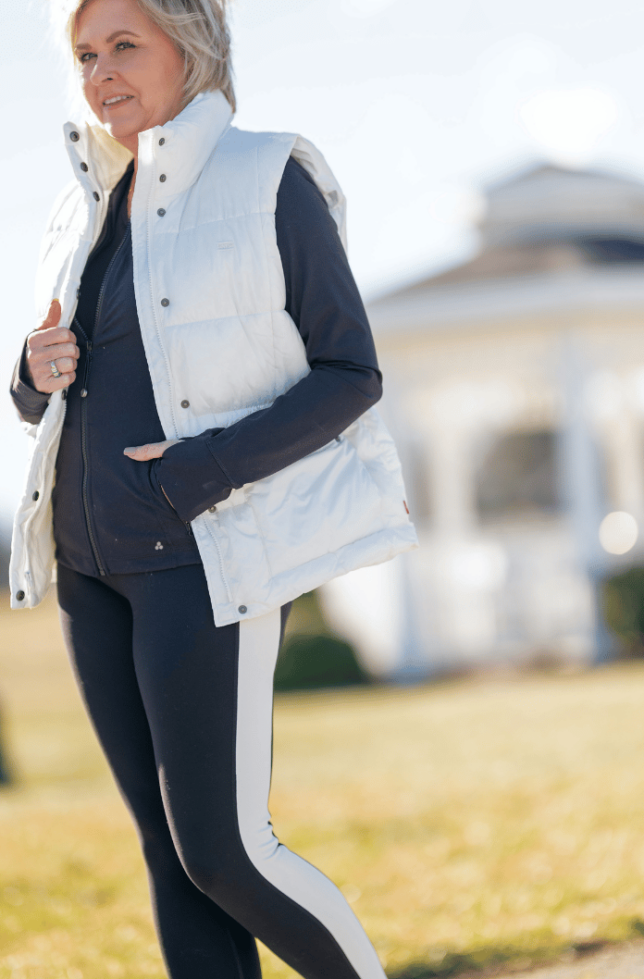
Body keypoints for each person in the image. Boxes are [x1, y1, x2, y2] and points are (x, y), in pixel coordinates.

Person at [9, 0, 418, 976]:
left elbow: (349, 373)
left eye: (125, 46)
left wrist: (201, 469)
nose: (101, 73)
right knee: (171, 857)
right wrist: (29, 372)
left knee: (224, 851)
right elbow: (49, 397)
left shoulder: (268, 176)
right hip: (89, 570)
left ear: (189, 47)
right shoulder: (81, 206)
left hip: (202, 556)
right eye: (85, 55)